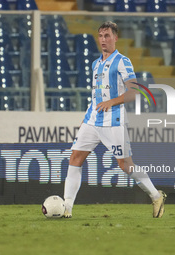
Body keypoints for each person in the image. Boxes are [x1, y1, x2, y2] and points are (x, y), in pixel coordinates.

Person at [63, 21, 166, 218]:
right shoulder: (95, 63)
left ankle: (156, 196)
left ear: (115, 38)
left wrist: (112, 102)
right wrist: (90, 114)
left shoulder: (122, 61)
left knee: (125, 165)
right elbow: (97, 94)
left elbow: (134, 92)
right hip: (92, 119)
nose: (103, 40)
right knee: (75, 158)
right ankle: (67, 207)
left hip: (114, 120)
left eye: (107, 36)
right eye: (101, 36)